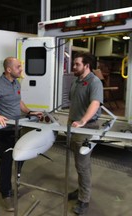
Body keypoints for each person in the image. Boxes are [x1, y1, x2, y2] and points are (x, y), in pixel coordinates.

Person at [0, 57, 42, 212]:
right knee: (7, 162)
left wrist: (29, 111)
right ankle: (5, 192)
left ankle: (8, 183)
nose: (21, 69)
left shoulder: (16, 83)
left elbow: (18, 102)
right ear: (9, 69)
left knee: (20, 158)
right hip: (4, 132)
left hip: (17, 129)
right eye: (18, 67)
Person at [68, 52, 103, 215]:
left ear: (87, 65)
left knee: (83, 165)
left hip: (86, 127)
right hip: (74, 126)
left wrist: (82, 121)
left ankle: (84, 199)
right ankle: (81, 189)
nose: (74, 67)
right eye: (74, 64)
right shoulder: (76, 81)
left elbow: (95, 104)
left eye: (77, 64)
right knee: (79, 163)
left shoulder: (94, 82)